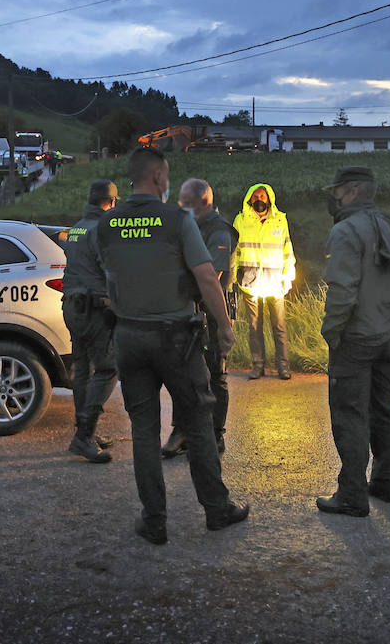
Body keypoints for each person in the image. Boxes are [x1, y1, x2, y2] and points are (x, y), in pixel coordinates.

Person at [96, 147, 248, 545]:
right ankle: (217, 510)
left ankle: (155, 521)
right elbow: (207, 277)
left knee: (144, 432)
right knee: (199, 422)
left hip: (129, 338)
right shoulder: (177, 219)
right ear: (160, 177)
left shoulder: (107, 224)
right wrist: (225, 326)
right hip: (176, 339)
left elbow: (107, 281)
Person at [318, 166, 390, 516]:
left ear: (353, 191)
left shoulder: (345, 231)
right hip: (387, 337)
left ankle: (352, 495)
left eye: (337, 190)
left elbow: (342, 291)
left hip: (354, 338)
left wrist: (332, 333)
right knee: (384, 411)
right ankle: (386, 483)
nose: (333, 196)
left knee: (350, 415)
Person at [161, 178, 238, 459]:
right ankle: (181, 430)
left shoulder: (218, 232)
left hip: (212, 313)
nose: (181, 208)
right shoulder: (189, 226)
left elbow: (211, 279)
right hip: (188, 311)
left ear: (204, 203)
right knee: (182, 374)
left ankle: (215, 435)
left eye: (186, 204)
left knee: (215, 374)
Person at [62, 180, 121, 464]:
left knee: (84, 370)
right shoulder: (101, 229)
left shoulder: (76, 228)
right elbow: (110, 269)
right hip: (95, 307)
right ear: (110, 203)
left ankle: (85, 431)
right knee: (109, 368)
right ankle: (84, 436)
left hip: (73, 307)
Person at [234, 184, 296, 379]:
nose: (259, 199)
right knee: (254, 327)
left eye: (263, 195)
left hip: (275, 282)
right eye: (256, 196)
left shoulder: (279, 220)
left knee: (279, 326)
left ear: (269, 199)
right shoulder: (241, 220)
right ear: (250, 199)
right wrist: (235, 275)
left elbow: (288, 251)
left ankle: (283, 367)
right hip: (250, 282)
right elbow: (234, 250)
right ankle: (257, 365)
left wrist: (288, 277)